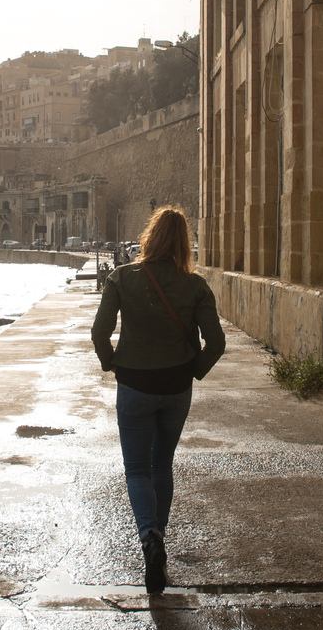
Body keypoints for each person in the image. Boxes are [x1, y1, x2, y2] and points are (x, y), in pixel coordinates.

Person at [90, 205, 225, 595]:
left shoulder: (121, 277)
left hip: (134, 384)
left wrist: (111, 363)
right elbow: (216, 343)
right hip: (176, 386)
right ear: (184, 243)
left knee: (136, 469)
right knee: (161, 464)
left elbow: (100, 332)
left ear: (149, 237)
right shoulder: (196, 286)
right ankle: (159, 537)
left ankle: (149, 537)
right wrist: (192, 370)